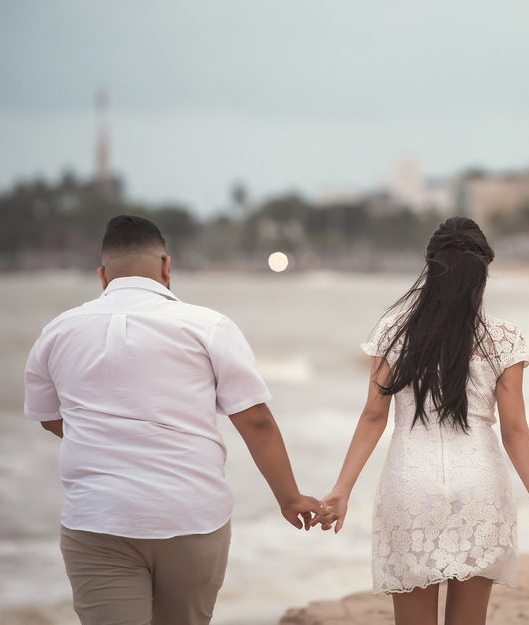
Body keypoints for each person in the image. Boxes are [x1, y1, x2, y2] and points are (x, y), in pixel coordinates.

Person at [24, 214, 325, 625]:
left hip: (98, 520)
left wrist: (110, 435)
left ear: (102, 276)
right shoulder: (208, 326)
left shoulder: (56, 332)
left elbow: (50, 418)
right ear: (167, 266)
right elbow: (256, 421)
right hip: (192, 517)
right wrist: (290, 499)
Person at [319, 216, 529, 625]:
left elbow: (373, 417)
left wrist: (340, 490)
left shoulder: (392, 332)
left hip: (410, 488)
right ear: (484, 271)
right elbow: (515, 432)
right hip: (480, 487)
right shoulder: (502, 338)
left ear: (428, 266)